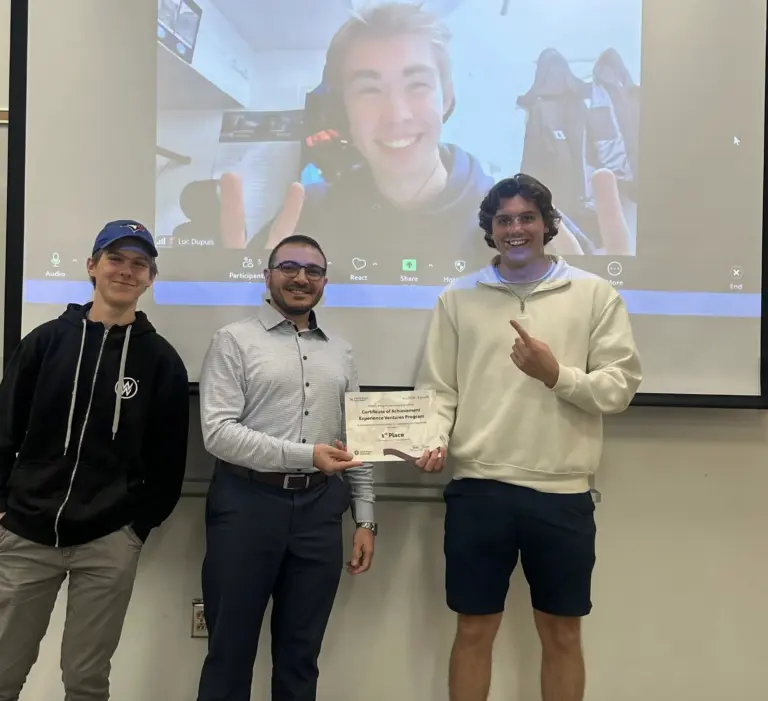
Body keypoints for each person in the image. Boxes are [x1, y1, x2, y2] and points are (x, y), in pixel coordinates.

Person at [414, 174, 642, 701]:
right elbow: (438, 390)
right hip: (479, 489)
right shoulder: (457, 298)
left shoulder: (593, 294)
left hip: (562, 495)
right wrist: (432, 439)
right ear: (490, 231)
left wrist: (554, 374)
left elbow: (619, 388)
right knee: (473, 631)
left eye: (527, 218)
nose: (516, 229)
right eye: (504, 220)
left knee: (562, 634)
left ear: (547, 225)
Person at [0, 220, 190, 701]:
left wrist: (134, 529)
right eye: (116, 259)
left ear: (150, 278)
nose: (126, 271)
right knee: (2, 672)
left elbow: (168, 461)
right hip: (25, 534)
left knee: (86, 681)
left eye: (139, 264)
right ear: (92, 266)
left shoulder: (161, 361)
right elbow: (4, 430)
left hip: (108, 542)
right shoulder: (44, 343)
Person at [196, 233, 376, 701]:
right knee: (229, 653)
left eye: (312, 271)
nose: (301, 278)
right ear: (268, 275)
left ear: (324, 281)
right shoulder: (233, 340)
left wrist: (366, 517)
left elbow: (356, 438)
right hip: (246, 506)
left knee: (301, 656)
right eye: (289, 267)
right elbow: (217, 433)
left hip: (319, 511)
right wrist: (305, 454)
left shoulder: (341, 351)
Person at [240, 1, 495, 274]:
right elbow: (246, 308)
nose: (397, 116)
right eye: (369, 90)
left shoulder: (514, 220)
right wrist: (239, 286)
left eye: (417, 85)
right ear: (343, 110)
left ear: (446, 98)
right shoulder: (305, 215)